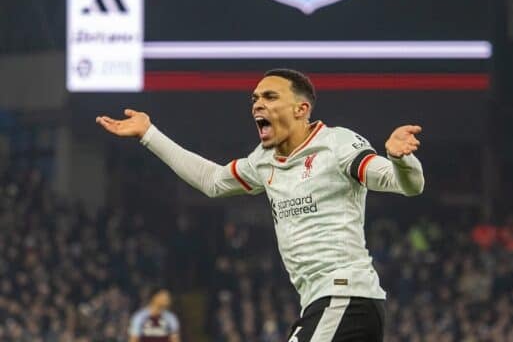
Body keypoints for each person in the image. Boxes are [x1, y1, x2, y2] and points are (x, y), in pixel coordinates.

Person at [98, 69, 424, 342]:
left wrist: (401, 160)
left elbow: (405, 184)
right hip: (322, 303)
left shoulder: (337, 144)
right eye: (255, 98)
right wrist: (149, 134)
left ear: (301, 108)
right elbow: (212, 181)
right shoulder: (264, 160)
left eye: (270, 97)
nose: (258, 104)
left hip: (345, 297)